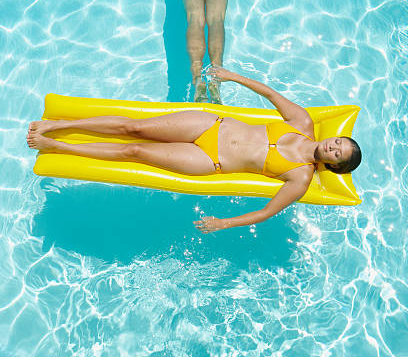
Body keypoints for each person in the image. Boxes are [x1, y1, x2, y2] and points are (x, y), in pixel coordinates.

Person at [27, 67, 361, 233]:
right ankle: (54, 125)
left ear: (333, 166)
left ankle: (56, 144)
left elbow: (265, 213)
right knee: (136, 127)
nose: (333, 145)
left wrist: (224, 223)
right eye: (338, 142)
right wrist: (231, 76)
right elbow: (271, 95)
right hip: (211, 125)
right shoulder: (302, 121)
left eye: (337, 154)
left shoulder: (300, 179)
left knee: (134, 151)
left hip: (209, 160)